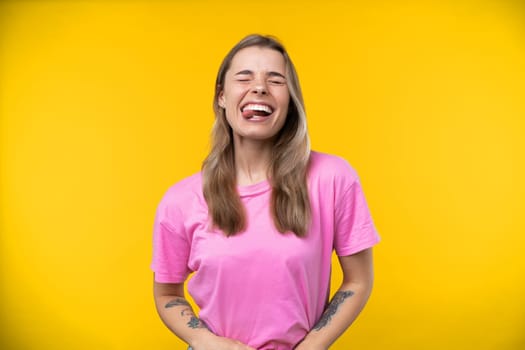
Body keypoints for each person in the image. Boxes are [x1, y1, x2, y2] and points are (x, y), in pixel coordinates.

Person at [151, 34, 380, 350]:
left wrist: (313, 346)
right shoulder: (179, 200)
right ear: (221, 96)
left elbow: (358, 279)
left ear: (290, 100)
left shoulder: (333, 178)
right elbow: (167, 294)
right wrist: (203, 340)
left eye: (276, 80)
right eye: (244, 77)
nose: (259, 87)